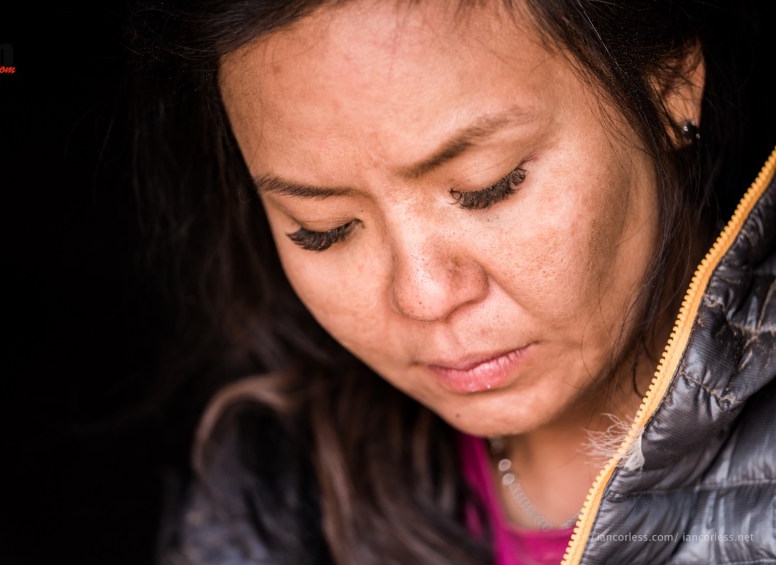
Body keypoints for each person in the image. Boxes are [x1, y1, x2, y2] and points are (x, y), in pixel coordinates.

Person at [130, 1, 775, 563]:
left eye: (489, 186)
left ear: (667, 84)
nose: (424, 297)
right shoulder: (272, 488)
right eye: (324, 230)